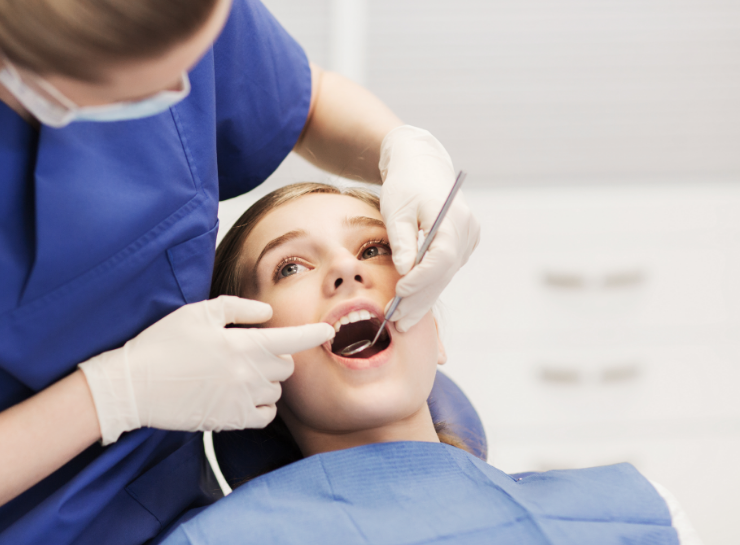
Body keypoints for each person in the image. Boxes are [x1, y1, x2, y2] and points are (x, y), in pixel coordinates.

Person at [0, 0, 482, 544]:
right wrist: (112, 394)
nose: (188, 87)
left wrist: (400, 146)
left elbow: (302, 102)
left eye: (369, 247)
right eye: (140, 90)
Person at [159, 183, 702, 545]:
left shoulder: (638, 514)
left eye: (374, 248)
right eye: (291, 266)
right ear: (249, 359)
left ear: (434, 333)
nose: (347, 268)